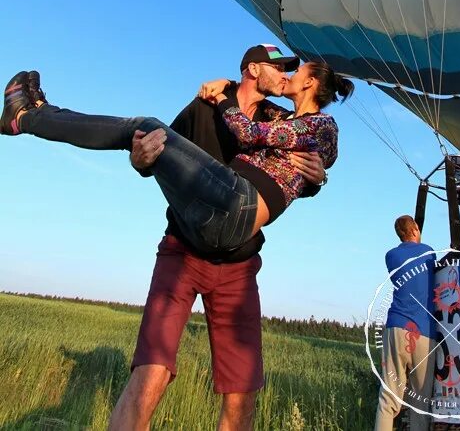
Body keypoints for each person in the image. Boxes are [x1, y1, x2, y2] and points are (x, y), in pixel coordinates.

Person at [1, 49, 353, 430]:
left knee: (242, 395)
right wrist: (141, 160)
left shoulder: (281, 120)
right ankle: (28, 115)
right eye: (279, 67)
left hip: (236, 253)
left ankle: (27, 116)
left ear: (310, 82)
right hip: (188, 243)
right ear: (253, 69)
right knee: (150, 373)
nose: (286, 74)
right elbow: (156, 158)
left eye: (292, 69)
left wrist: (320, 177)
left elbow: (298, 162)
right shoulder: (203, 108)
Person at [374, 216, 436, 431]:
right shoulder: (429, 252)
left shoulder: (391, 256)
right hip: (426, 331)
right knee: (421, 400)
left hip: (396, 326)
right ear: (416, 229)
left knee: (389, 396)